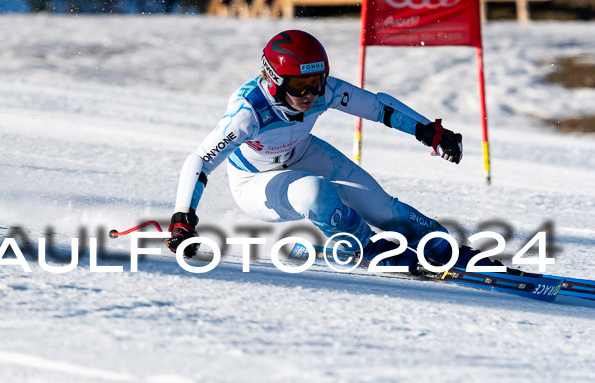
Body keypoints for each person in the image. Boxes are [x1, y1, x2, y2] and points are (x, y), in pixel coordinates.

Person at [166, 29, 498, 272]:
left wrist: (430, 132)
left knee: (386, 209)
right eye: (298, 86)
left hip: (301, 151)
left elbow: (378, 107)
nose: (311, 94)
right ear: (273, 81)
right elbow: (201, 161)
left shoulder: (324, 91)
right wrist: (184, 218)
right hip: (255, 180)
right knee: (315, 192)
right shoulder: (248, 114)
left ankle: (444, 247)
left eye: (317, 82)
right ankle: (366, 246)